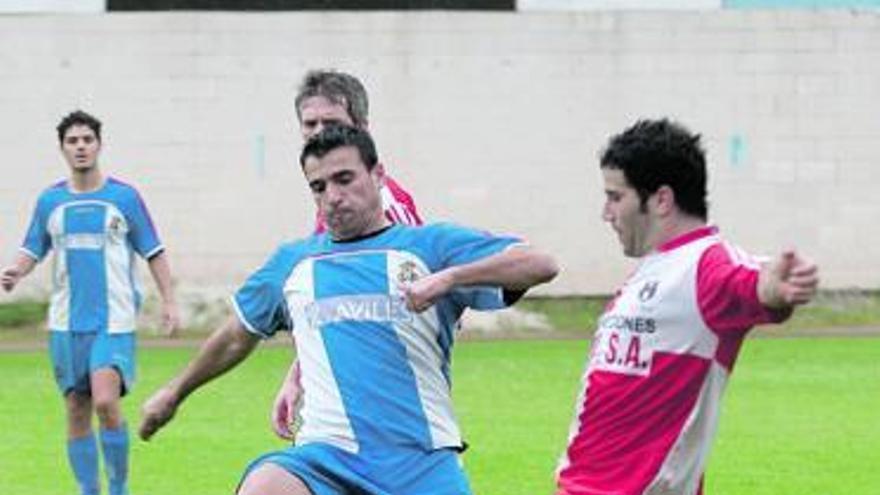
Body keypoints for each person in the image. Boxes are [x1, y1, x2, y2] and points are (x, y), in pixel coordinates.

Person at [138, 125, 559, 495]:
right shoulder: (294, 264)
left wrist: (449, 279)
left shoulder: (430, 246)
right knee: (265, 486)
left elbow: (540, 264)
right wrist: (174, 393)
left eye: (344, 179)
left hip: (419, 460)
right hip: (327, 458)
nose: (332, 197)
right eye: (319, 187)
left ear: (377, 175)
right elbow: (235, 336)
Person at [555, 118, 819, 495]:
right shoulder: (652, 271)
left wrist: (775, 288)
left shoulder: (707, 265)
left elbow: (749, 286)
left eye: (616, 197)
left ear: (661, 199)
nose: (606, 213)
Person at [1, 110, 180, 495]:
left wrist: (169, 300)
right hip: (66, 324)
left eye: (87, 139)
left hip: (114, 322)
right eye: (73, 141)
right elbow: (31, 247)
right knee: (76, 409)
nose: (81, 146)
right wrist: (16, 270)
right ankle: (89, 491)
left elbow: (154, 250)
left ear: (99, 144)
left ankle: (118, 487)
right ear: (62, 148)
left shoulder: (124, 198)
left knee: (104, 402)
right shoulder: (50, 201)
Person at [272, 68, 424, 441]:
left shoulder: (383, 204)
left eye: (332, 121)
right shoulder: (334, 206)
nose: (319, 132)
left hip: (388, 389)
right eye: (310, 123)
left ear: (362, 128)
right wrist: (298, 375)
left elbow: (416, 292)